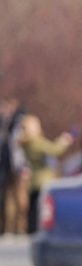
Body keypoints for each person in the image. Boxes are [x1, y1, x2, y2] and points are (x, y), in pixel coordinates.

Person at [19, 115, 73, 234]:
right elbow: (54, 149)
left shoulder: (26, 143)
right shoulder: (36, 142)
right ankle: (37, 232)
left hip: (33, 180)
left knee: (33, 209)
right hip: (42, 180)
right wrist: (64, 140)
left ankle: (31, 231)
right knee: (40, 210)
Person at [0, 98, 28, 235]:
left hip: (18, 166)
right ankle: (8, 228)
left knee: (20, 199)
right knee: (7, 198)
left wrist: (24, 166)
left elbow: (23, 147)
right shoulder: (4, 123)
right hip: (6, 166)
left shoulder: (21, 122)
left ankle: (21, 228)